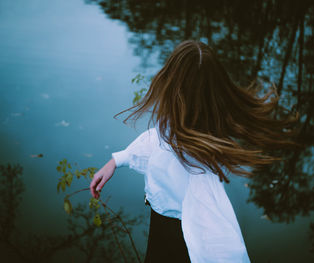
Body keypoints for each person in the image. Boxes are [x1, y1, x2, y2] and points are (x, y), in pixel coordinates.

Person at [90, 40, 300, 263]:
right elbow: (157, 139)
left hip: (177, 240)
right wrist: (117, 160)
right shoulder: (177, 127)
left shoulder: (196, 167)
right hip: (160, 226)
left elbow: (220, 240)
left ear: (173, 84)